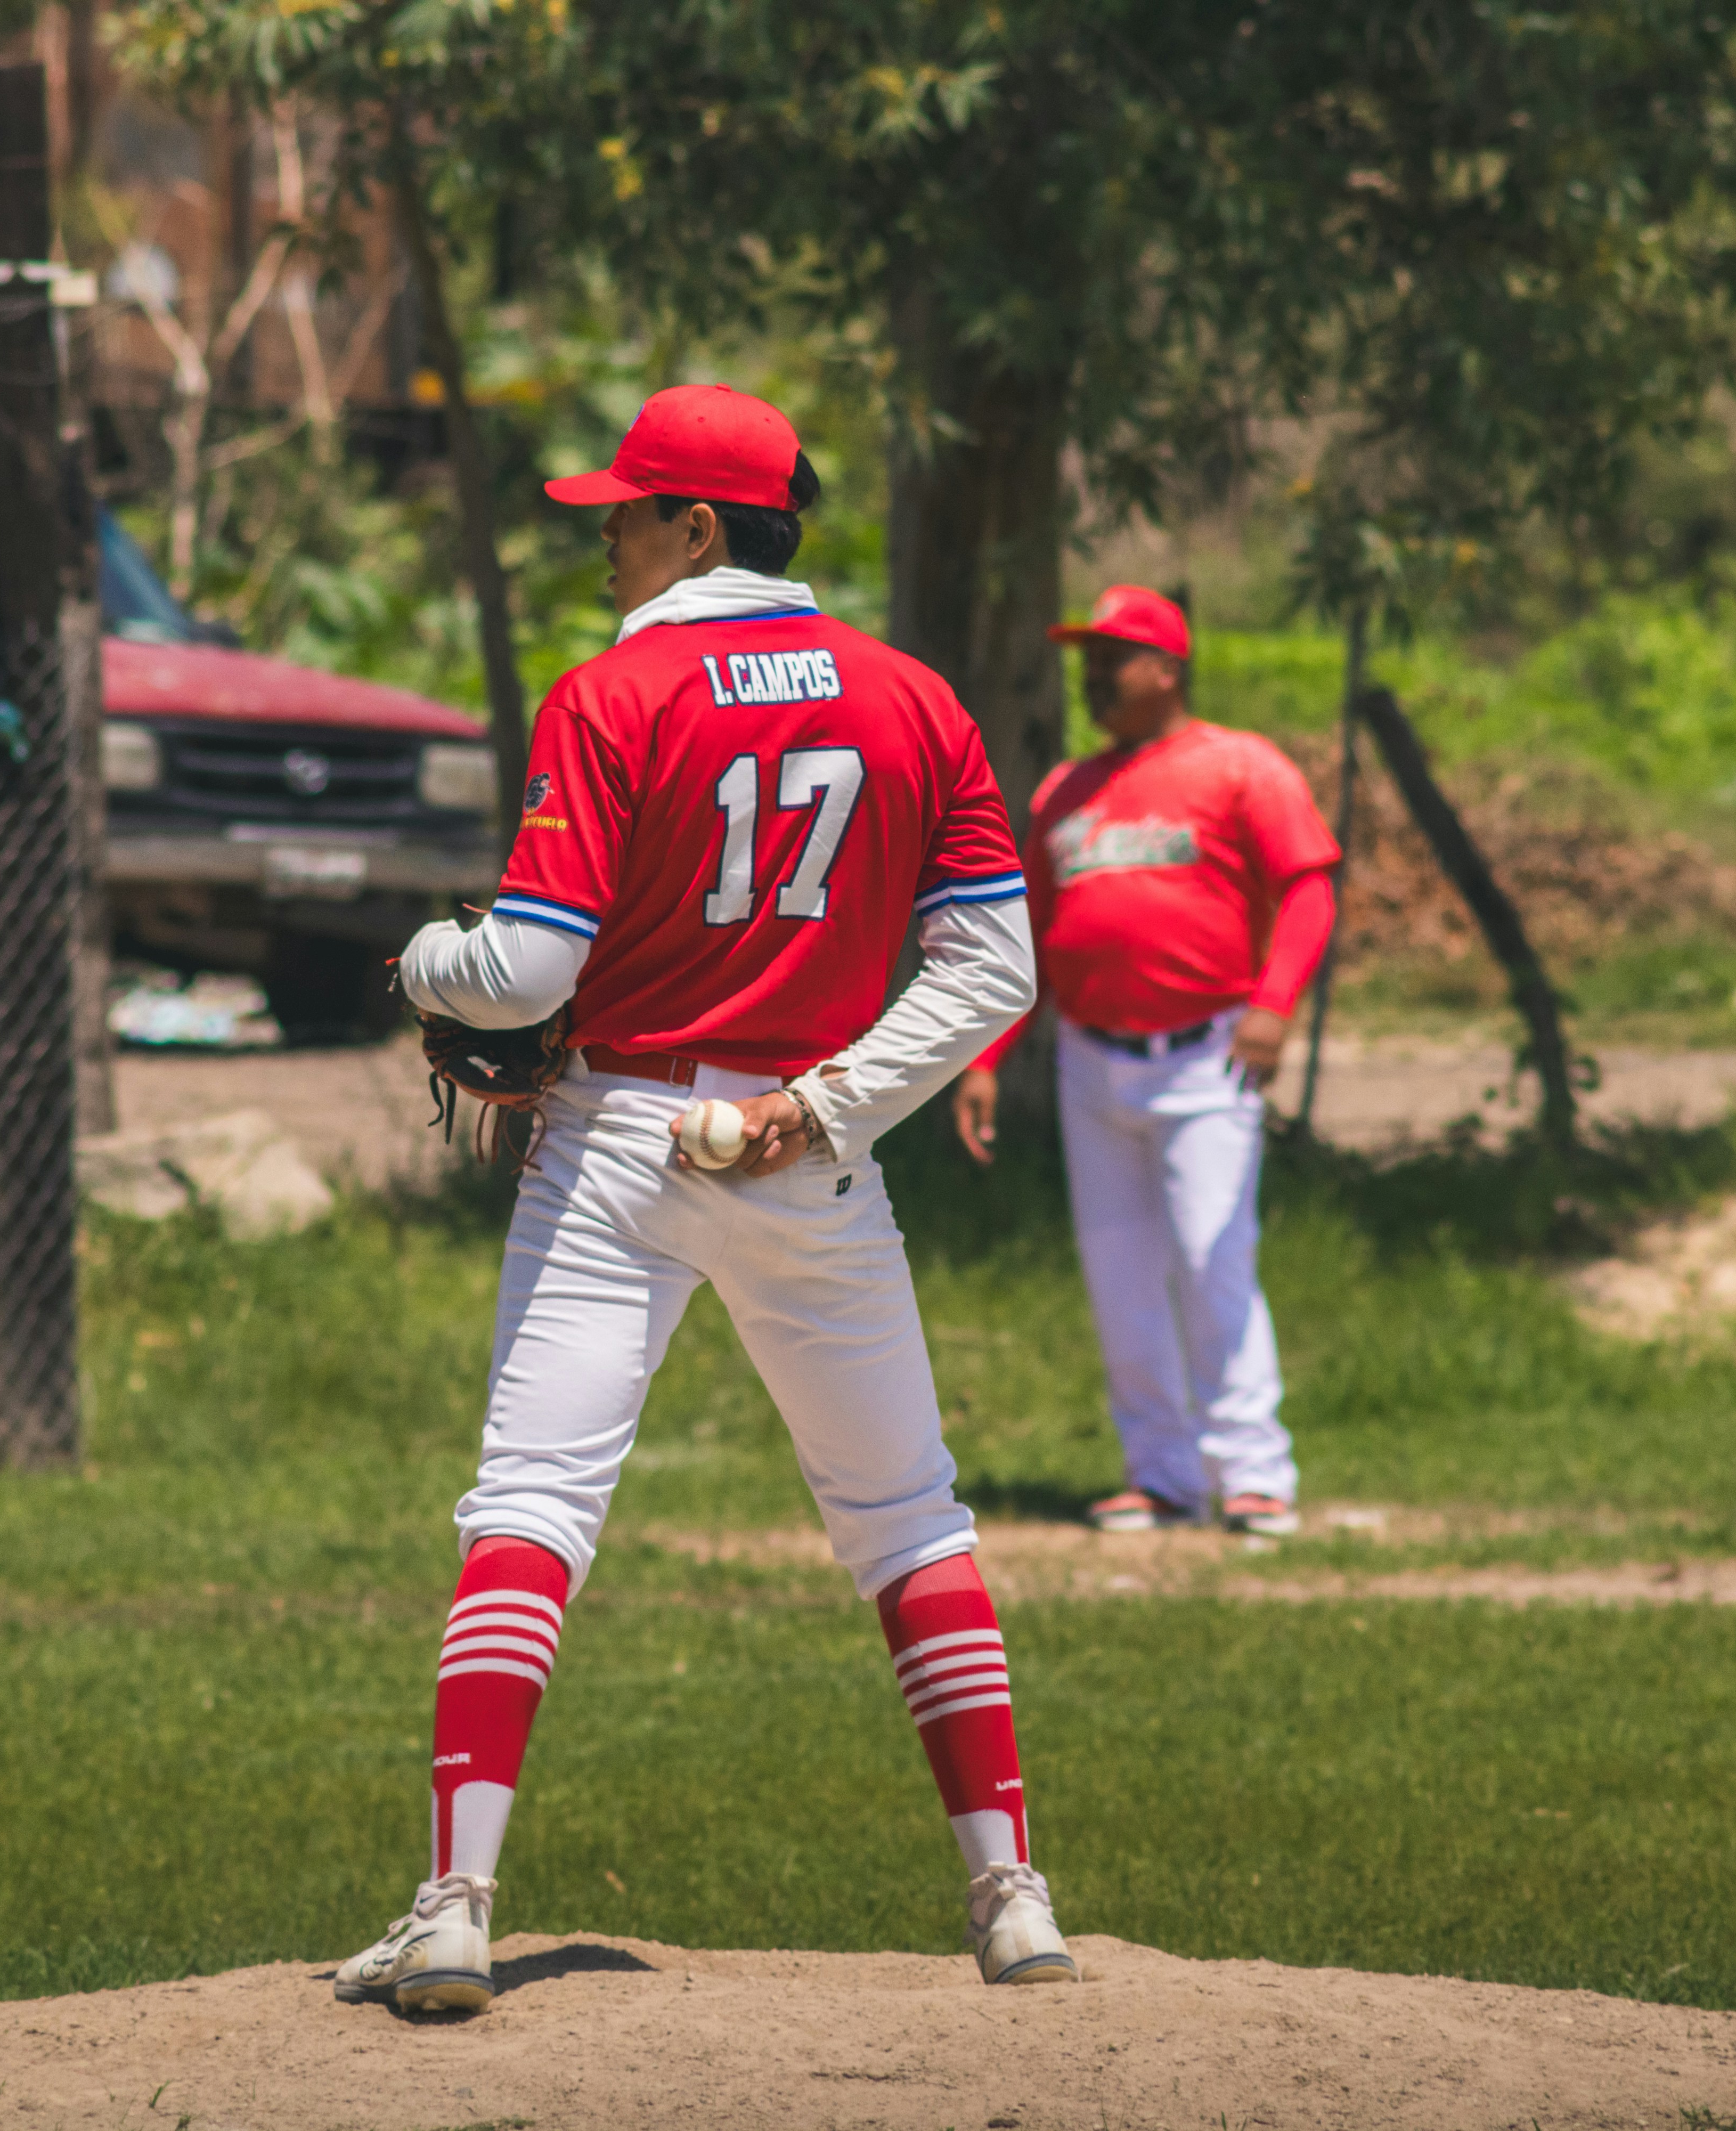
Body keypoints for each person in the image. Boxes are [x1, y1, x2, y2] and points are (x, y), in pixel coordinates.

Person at [353, 384, 1060, 2014]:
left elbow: (528, 964)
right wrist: (815, 1103)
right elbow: (992, 969)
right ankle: (1007, 1892)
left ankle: (456, 1902)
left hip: (613, 1142)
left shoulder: (614, 691)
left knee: (530, 1501)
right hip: (804, 1152)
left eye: (626, 508)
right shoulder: (912, 698)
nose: (602, 533)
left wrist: (421, 960)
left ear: (698, 526)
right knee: (905, 1516)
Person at [952, 583, 1340, 1538]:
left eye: (1111, 657)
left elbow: (1310, 889)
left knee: (1214, 1256)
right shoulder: (1065, 792)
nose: (1091, 674)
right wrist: (988, 1058)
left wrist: (1273, 1008)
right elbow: (1030, 940)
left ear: (1166, 667)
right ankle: (1162, 1473)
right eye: (1087, 658)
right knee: (1120, 1272)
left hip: (1208, 1054)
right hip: (1093, 1059)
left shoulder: (1241, 766)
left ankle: (1253, 1472)